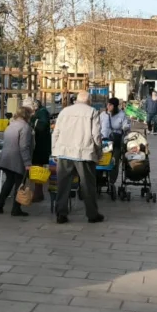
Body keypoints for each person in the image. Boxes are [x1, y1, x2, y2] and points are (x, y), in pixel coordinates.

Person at [52, 90, 104, 224]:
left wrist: (55, 151)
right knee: (87, 185)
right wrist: (99, 152)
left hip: (64, 151)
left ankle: (61, 214)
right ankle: (92, 214)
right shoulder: (92, 112)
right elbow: (96, 136)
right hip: (84, 153)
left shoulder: (64, 111)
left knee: (63, 185)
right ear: (89, 100)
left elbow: (55, 132)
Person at [0, 103, 34, 217]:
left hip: (6, 158)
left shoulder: (11, 125)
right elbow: (24, 147)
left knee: (9, 182)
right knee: (19, 184)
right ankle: (16, 209)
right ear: (27, 115)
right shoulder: (25, 127)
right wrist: (27, 163)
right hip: (17, 159)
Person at [31, 98, 52, 167]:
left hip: (41, 141)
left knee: (38, 161)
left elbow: (42, 125)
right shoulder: (41, 111)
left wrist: (33, 122)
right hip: (42, 141)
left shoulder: (41, 112)